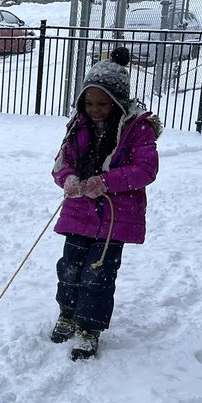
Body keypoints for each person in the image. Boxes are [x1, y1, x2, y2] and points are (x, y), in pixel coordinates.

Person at [50, 47, 161, 361]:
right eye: (89, 102)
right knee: (70, 267)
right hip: (78, 213)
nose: (95, 109)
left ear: (117, 101)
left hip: (115, 218)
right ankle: (68, 313)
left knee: (98, 274)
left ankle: (88, 327)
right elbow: (62, 163)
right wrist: (69, 180)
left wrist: (106, 181)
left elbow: (145, 169)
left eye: (102, 103)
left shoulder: (137, 130)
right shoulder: (78, 127)